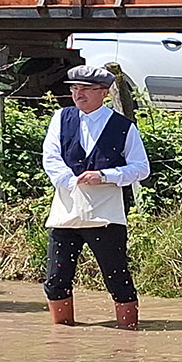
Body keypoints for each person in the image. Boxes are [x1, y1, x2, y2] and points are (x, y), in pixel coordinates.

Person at [41, 66, 151, 330]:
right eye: (74, 89)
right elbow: (50, 158)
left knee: (117, 277)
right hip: (66, 214)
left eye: (86, 89)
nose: (78, 95)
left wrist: (105, 175)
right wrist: (70, 181)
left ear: (103, 92)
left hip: (106, 216)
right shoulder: (60, 118)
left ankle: (128, 333)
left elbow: (141, 168)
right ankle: (62, 335)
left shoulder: (123, 127)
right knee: (56, 278)